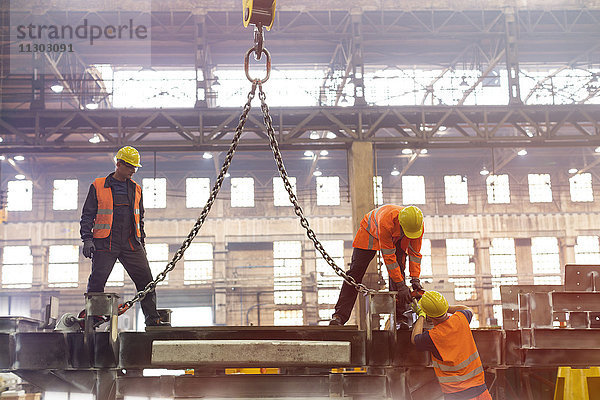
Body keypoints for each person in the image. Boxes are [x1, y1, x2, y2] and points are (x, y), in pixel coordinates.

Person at [80, 146, 169, 327]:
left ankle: (152, 320)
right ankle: (93, 318)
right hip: (105, 242)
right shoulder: (98, 185)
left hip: (130, 243)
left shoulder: (136, 189)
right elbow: (87, 215)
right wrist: (87, 239)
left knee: (146, 282)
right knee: (97, 280)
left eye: (135, 167)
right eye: (129, 167)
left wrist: (141, 242)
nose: (133, 171)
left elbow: (139, 218)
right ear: (118, 164)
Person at [329, 205, 425, 326]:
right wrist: (401, 285)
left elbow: (415, 254)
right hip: (369, 233)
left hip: (399, 235)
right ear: (400, 223)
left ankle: (401, 318)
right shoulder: (386, 222)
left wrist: (415, 278)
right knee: (355, 273)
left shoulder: (416, 226)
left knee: (399, 271)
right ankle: (339, 316)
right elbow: (389, 258)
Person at [411, 291, 492, 400]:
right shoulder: (461, 319)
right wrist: (445, 308)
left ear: (429, 316)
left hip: (457, 395)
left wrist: (420, 315)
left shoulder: (433, 337)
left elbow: (414, 339)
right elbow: (468, 309)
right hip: (481, 391)